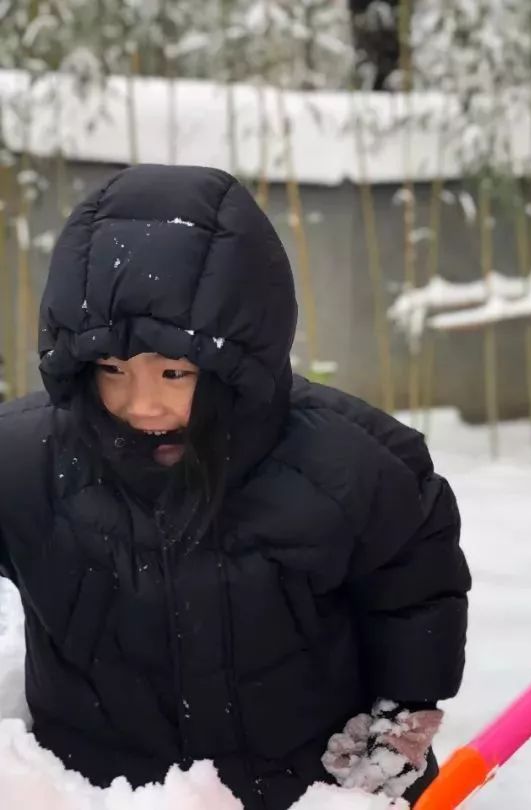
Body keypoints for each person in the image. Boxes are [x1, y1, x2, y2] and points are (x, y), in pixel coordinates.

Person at [0, 165, 470, 809]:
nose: (140, 402)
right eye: (110, 368)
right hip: (93, 786)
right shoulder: (27, 460)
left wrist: (400, 722)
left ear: (239, 356)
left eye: (173, 371)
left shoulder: (349, 465)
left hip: (300, 783)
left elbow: (415, 593)